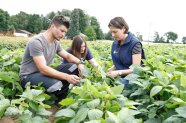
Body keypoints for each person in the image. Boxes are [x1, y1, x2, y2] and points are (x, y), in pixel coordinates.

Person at [19, 15, 84, 101]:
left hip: (42, 74)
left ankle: (61, 93)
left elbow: (67, 56)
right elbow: (43, 69)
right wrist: (66, 77)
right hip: (28, 77)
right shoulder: (37, 42)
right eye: (62, 31)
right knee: (57, 85)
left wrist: (79, 63)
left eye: (65, 32)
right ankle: (58, 99)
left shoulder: (55, 42)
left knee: (73, 67)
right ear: (53, 26)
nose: (63, 35)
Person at [107, 17, 145, 85]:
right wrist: (112, 68)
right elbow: (120, 62)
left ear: (123, 29)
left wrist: (118, 72)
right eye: (111, 32)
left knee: (115, 86)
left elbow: (136, 69)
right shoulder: (115, 43)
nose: (113, 35)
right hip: (120, 76)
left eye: (115, 32)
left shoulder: (135, 44)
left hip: (133, 79)